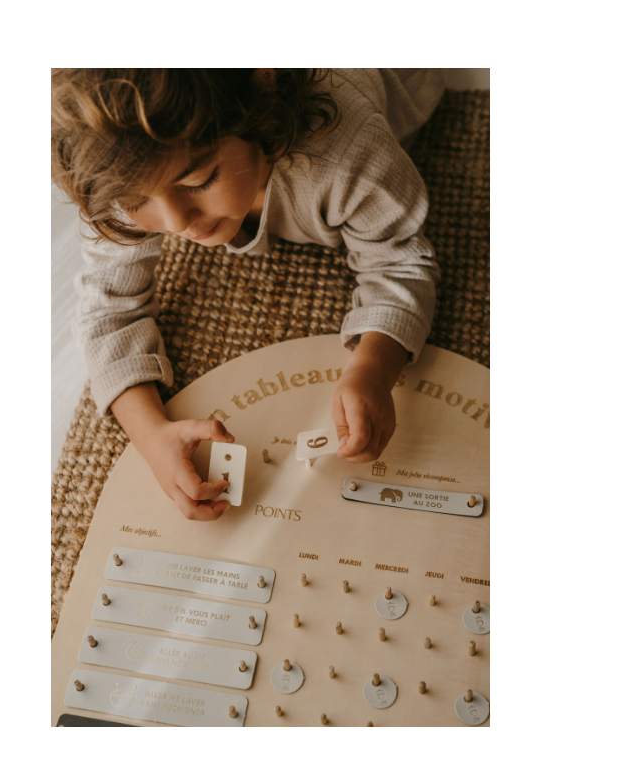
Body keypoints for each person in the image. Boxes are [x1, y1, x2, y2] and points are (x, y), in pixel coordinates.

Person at [51, 68, 445, 521]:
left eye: (199, 180)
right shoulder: (116, 173)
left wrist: (375, 367)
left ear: (262, 99)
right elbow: (106, 310)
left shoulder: (348, 152)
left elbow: (401, 260)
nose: (178, 222)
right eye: (138, 202)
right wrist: (151, 436)